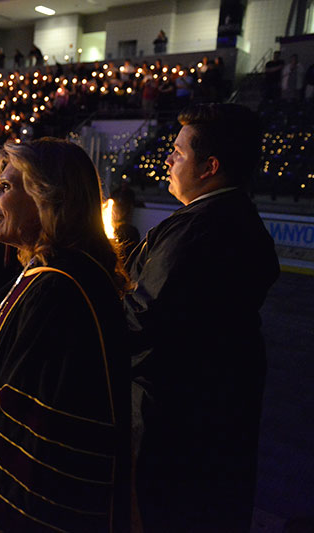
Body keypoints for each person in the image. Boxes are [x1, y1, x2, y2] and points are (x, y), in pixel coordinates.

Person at [0, 138, 131, 531]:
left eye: (6, 186)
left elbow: (32, 446)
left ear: (48, 200)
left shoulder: (60, 289)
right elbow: (5, 359)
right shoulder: (47, 275)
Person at [124, 103, 279, 532]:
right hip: (215, 418)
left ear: (210, 166)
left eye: (178, 151)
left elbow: (141, 319)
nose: (169, 160)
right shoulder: (238, 219)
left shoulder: (199, 229)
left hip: (169, 422)